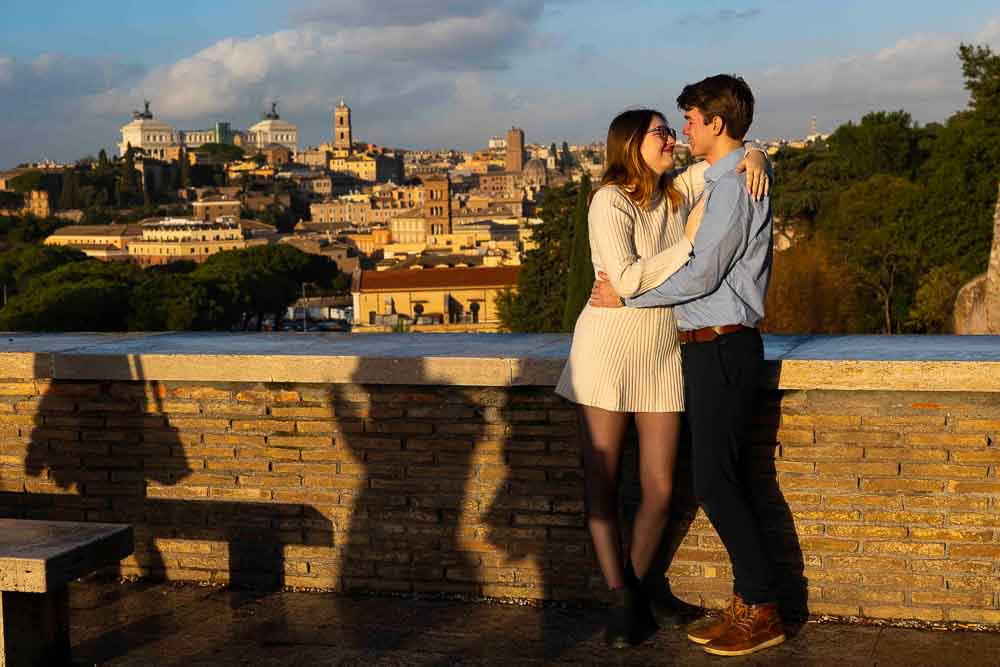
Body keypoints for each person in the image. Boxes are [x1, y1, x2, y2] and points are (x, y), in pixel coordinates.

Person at [555, 107, 769, 648]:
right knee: (601, 484)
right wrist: (686, 245)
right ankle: (622, 596)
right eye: (660, 132)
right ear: (630, 144)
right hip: (606, 350)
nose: (672, 137)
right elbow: (623, 278)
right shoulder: (608, 201)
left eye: (672, 130)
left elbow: (726, 161)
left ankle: (636, 587)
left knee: (661, 487)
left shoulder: (674, 191)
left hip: (659, 351)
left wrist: (758, 154)